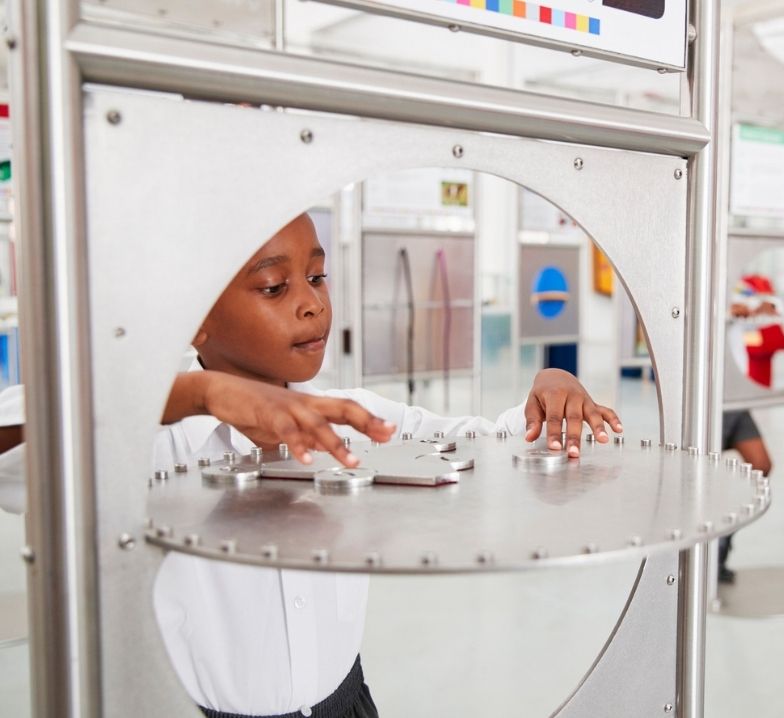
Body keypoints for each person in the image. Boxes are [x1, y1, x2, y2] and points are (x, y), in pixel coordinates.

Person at [0, 213, 621, 718]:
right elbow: (23, 435)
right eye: (274, 287)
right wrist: (200, 394)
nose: (311, 305)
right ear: (194, 317)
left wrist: (549, 391)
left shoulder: (352, 418)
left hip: (346, 703)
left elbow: (482, 445)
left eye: (317, 278)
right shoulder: (150, 442)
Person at [717, 410, 772, 584]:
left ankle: (721, 540)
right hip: (705, 404)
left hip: (735, 406)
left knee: (761, 465)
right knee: (697, 473)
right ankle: (710, 554)